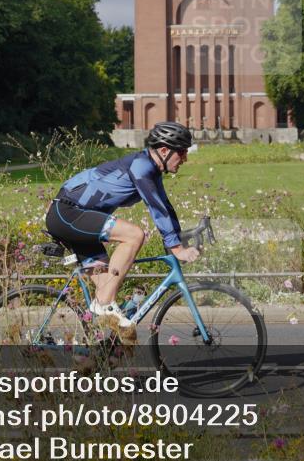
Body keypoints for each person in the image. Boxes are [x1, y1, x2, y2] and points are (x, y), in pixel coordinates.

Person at [45, 121, 200, 331]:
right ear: (164, 150)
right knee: (134, 235)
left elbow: (165, 206)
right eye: (181, 152)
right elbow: (155, 208)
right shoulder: (141, 167)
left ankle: (97, 353)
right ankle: (104, 307)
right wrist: (176, 249)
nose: (185, 158)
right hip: (68, 214)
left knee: (106, 288)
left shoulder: (151, 169)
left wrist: (179, 238)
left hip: (76, 217)